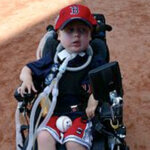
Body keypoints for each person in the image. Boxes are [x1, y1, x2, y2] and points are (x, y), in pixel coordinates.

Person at [18, 4, 106, 150]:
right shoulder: (51, 60)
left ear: (90, 35)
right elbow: (27, 69)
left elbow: (104, 84)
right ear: (58, 35)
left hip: (81, 114)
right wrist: (26, 79)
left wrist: (94, 100)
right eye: (70, 30)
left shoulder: (94, 62)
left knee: (73, 143)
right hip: (52, 112)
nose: (76, 35)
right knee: (43, 136)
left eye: (82, 30)